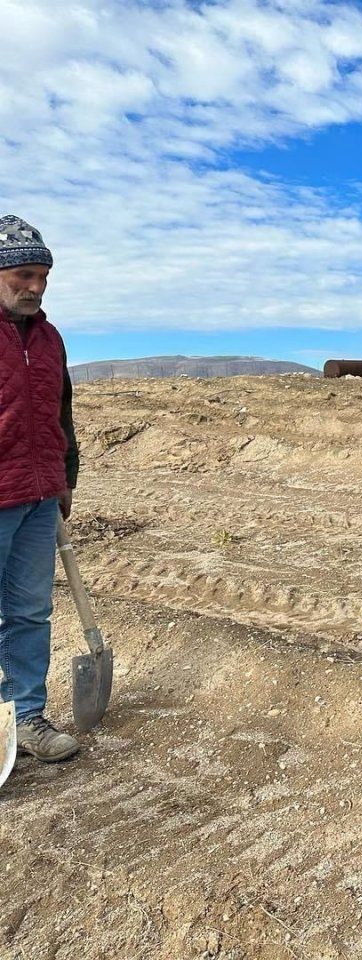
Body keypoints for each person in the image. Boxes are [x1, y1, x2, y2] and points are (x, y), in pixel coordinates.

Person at [0, 215, 80, 762]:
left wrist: (65, 479)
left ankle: (25, 717)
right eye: (23, 275)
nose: (35, 287)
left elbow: (62, 415)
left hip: (38, 495)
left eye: (43, 276)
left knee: (30, 612)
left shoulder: (50, 339)